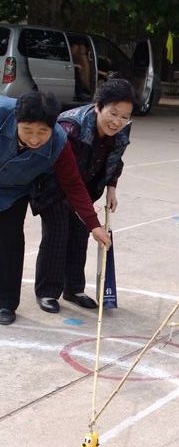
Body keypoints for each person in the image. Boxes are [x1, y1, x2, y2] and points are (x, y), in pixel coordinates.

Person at [0, 92, 111, 326]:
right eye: (27, 130)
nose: (34, 139)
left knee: (10, 242)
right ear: (16, 120)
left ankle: (5, 303)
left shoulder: (59, 141)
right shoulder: (2, 113)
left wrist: (94, 225)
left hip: (14, 190)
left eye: (42, 132)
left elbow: (73, 184)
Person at [33, 78, 135, 313]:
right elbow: (69, 179)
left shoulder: (121, 129)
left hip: (84, 187)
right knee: (58, 233)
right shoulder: (71, 127)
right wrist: (91, 218)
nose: (118, 121)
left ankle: (74, 289)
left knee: (79, 235)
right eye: (113, 113)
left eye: (124, 116)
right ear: (98, 106)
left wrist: (112, 186)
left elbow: (114, 159)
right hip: (52, 185)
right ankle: (48, 292)